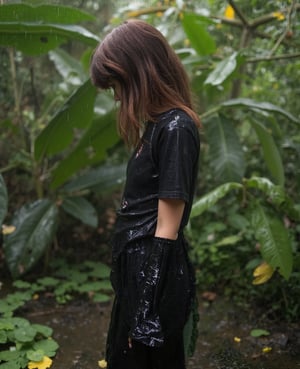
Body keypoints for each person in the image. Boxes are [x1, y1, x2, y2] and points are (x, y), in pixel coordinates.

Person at [90, 19, 201, 369]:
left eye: (118, 84)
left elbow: (168, 226)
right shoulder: (157, 126)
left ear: (139, 71)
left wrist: (146, 302)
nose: (118, 96)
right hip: (139, 269)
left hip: (156, 271)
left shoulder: (176, 128)